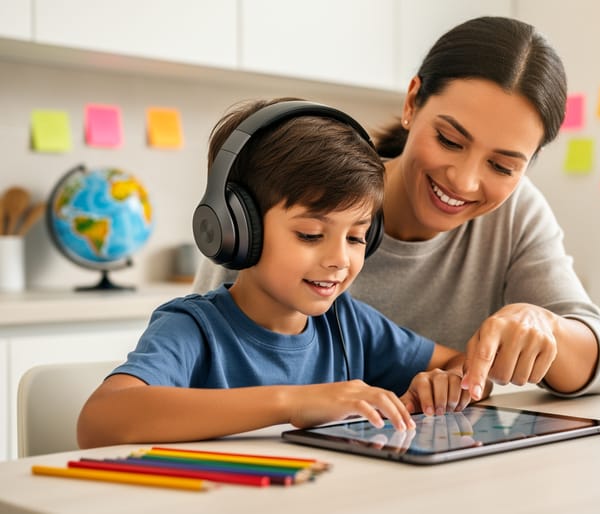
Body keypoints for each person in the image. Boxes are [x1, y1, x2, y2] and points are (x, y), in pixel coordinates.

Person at [192, 16, 600, 402]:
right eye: (450, 140)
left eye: (502, 165)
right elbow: (197, 374)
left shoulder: (515, 212)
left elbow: (599, 359)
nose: (465, 181)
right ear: (412, 102)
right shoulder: (308, 198)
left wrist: (547, 328)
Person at [77, 98, 472, 448]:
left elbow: (459, 364)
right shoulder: (193, 328)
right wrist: (294, 401)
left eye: (355, 237)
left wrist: (443, 383)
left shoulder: (348, 324)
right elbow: (100, 421)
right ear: (239, 229)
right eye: (310, 234)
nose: (339, 259)